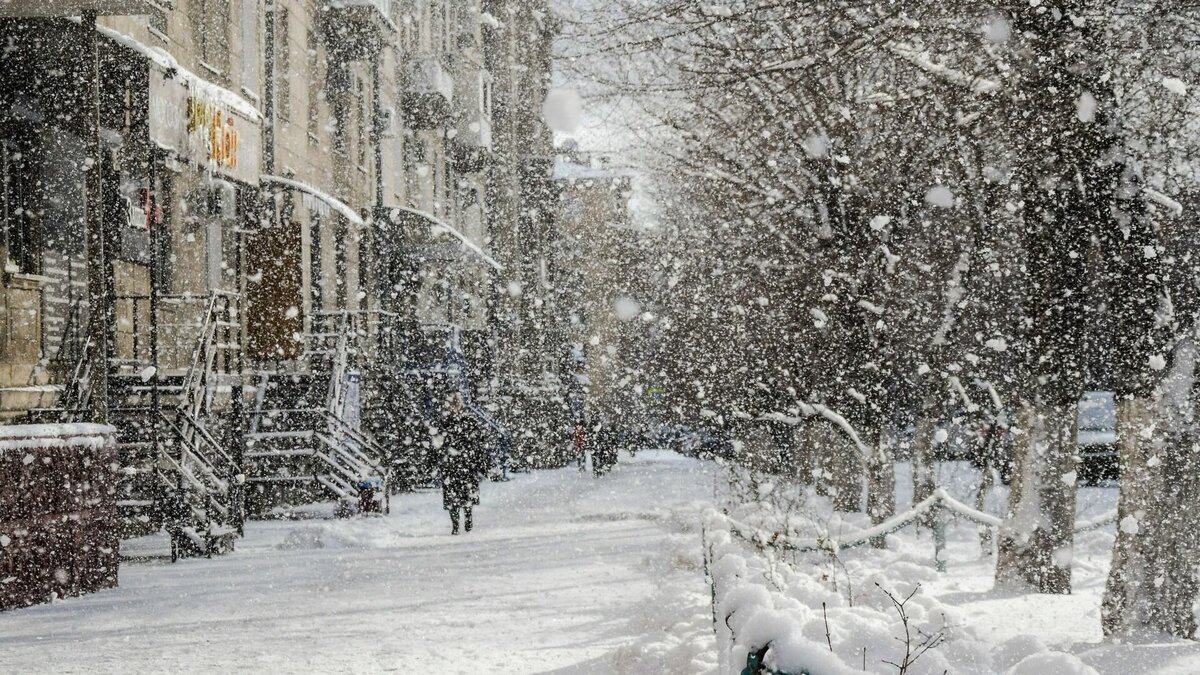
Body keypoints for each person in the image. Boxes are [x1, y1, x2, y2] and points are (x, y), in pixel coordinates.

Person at [436, 395, 489, 535]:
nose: (455, 407)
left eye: (457, 404)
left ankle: (467, 520)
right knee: (453, 497)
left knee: (466, 495)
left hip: (465, 464)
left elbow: (477, 441)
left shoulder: (468, 421)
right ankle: (455, 525)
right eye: (453, 405)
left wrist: (476, 459)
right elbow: (440, 443)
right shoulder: (446, 422)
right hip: (453, 465)